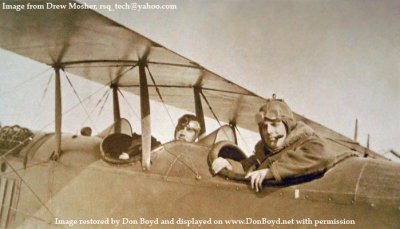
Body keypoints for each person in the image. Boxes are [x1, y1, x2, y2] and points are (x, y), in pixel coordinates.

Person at [212, 97, 353, 192]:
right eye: (263, 127)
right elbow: (247, 165)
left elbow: (324, 154)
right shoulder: (264, 151)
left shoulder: (305, 141)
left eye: (274, 125)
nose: (269, 132)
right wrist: (228, 164)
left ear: (288, 125)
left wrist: (271, 172)